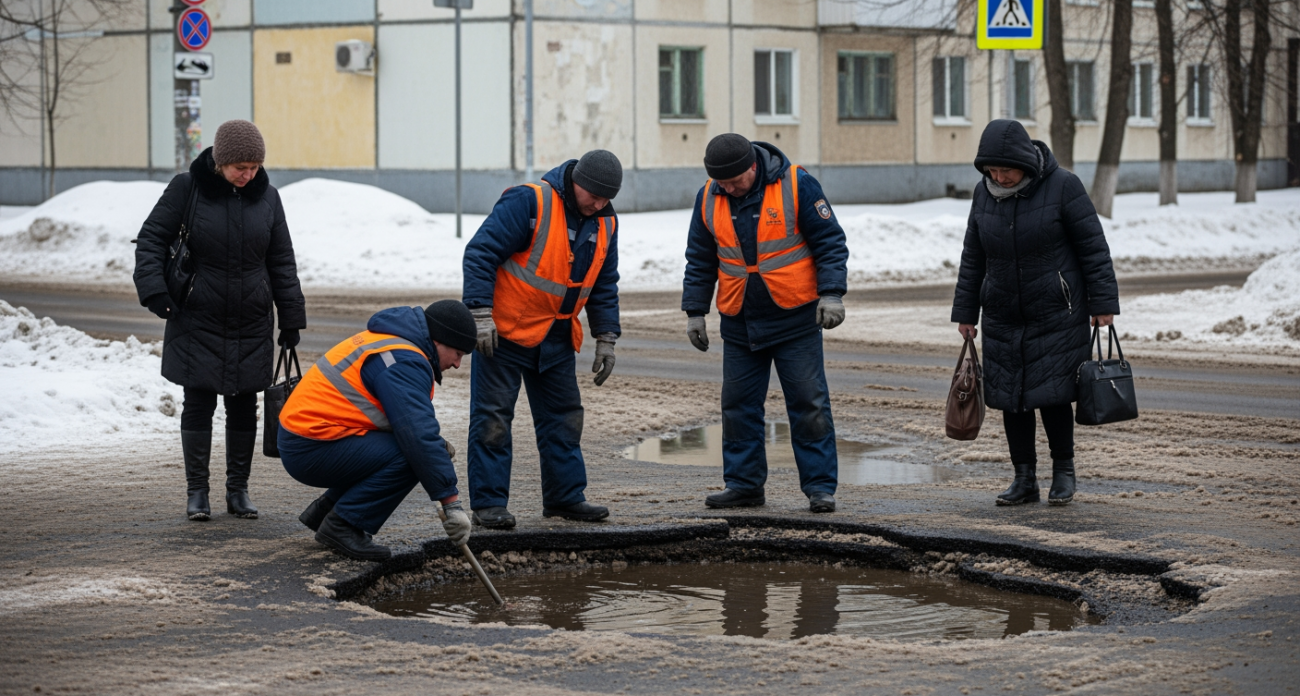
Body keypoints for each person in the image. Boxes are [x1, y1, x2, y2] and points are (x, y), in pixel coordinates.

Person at [134, 119, 306, 522]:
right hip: (197, 314)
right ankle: (197, 492)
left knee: (245, 404)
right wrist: (156, 292)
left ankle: (238, 490)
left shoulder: (269, 198)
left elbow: (281, 259)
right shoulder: (186, 188)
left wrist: (291, 318)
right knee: (198, 401)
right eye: (239, 167)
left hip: (252, 318)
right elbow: (152, 238)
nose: (248, 175)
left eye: (254, 167)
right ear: (220, 161)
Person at [951, 119, 1120, 506]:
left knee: (1054, 394)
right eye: (991, 171)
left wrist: (1103, 304)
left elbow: (1094, 248)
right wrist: (966, 312)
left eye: (1005, 170)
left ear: (1025, 163)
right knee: (1011, 398)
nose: (999, 177)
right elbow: (973, 256)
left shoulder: (1064, 187)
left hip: (1055, 311)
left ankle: (1064, 472)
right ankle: (1023, 478)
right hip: (1003, 312)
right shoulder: (984, 194)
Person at [682, 134, 849, 513]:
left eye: (734, 181)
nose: (728, 188)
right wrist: (695, 311)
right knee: (738, 406)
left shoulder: (796, 184)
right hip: (740, 319)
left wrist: (833, 293)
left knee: (809, 404)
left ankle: (820, 487)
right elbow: (700, 257)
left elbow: (830, 242)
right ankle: (743, 485)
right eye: (721, 182)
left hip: (795, 317)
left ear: (753, 167)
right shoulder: (709, 197)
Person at [461, 150, 623, 529]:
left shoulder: (605, 222)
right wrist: (479, 313)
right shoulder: (529, 201)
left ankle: (565, 498)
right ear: (576, 181)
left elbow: (604, 284)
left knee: (563, 420)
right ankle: (488, 505)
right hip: (503, 333)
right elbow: (480, 253)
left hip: (558, 335)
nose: (598, 204)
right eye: (593, 196)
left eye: (605, 199)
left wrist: (606, 336)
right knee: (493, 420)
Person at [276, 301, 476, 561]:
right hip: (309, 446)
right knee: (411, 456)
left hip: (308, 436)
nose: (458, 364)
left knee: (416, 448)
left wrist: (434, 445)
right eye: (458, 354)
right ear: (439, 341)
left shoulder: (393, 344)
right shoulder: (402, 361)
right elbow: (416, 437)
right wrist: (452, 503)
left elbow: (404, 422)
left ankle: (328, 511)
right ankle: (343, 525)